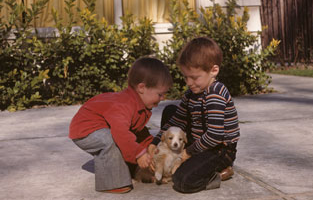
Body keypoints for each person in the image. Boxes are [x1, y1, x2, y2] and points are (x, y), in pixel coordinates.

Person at [148, 37, 240, 193]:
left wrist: (187, 153)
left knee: (182, 181)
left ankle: (218, 174)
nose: (189, 82)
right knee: (171, 111)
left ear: (214, 70)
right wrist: (154, 143)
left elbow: (215, 135)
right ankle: (177, 159)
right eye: (186, 77)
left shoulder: (215, 94)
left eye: (195, 77)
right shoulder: (191, 93)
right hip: (199, 142)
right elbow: (177, 120)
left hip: (219, 150)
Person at [69, 57, 172, 194]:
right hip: (84, 130)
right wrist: (138, 153)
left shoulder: (139, 105)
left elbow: (138, 131)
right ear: (141, 88)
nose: (162, 98)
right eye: (160, 94)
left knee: (124, 138)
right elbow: (121, 133)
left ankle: (126, 167)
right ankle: (111, 182)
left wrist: (150, 146)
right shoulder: (124, 104)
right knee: (111, 139)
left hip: (102, 127)